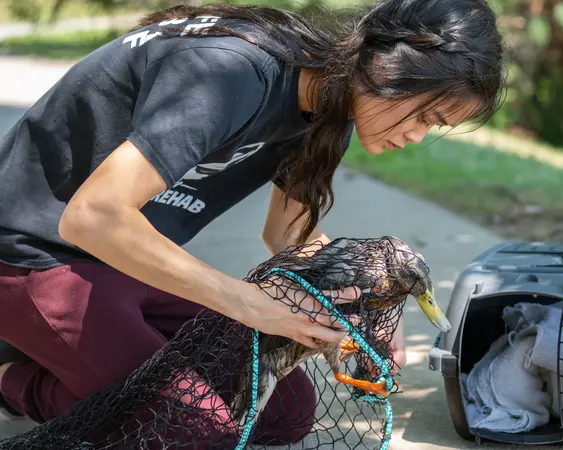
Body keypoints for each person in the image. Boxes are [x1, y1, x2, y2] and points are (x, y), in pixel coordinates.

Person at [0, 0, 504, 444]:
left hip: (124, 261)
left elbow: (287, 233)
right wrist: (248, 304)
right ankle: (13, 379)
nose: (418, 136)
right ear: (392, 68)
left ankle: (63, 361)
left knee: (285, 414)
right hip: (32, 257)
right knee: (191, 427)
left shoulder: (329, 106)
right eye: (426, 116)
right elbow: (93, 216)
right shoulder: (230, 72)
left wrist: (354, 309)